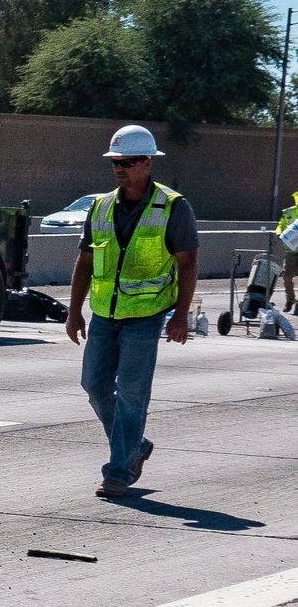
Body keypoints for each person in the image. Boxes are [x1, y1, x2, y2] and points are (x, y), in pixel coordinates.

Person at [67, 124, 198, 501]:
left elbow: (188, 263)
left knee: (132, 394)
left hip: (147, 315)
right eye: (114, 162)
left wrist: (181, 314)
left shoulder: (173, 206)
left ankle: (119, 471)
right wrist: (74, 312)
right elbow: (86, 260)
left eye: (125, 162)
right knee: (93, 386)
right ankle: (135, 447)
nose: (118, 169)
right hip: (105, 315)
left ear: (147, 163)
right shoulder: (101, 205)